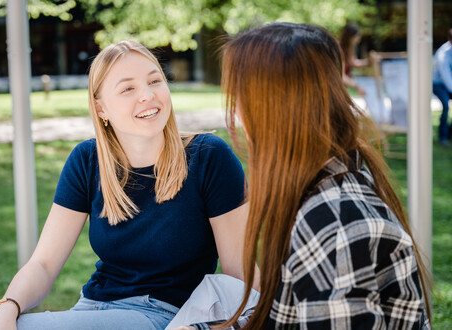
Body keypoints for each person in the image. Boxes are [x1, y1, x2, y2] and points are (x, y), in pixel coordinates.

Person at [0, 40, 253, 330]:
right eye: (128, 89)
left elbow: (241, 274)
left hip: (165, 315)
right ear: (101, 109)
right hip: (91, 306)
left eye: (155, 81)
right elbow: (44, 264)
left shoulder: (209, 156)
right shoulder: (87, 159)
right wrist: (7, 307)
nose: (147, 96)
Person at [172, 22, 431, 330]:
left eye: (240, 97)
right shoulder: (325, 185)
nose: (237, 114)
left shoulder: (332, 223)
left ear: (271, 108)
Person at [339, 23, 379, 96]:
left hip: (343, 89)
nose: (358, 41)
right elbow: (341, 76)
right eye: (357, 37)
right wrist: (357, 86)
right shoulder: (340, 50)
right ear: (350, 37)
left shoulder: (349, 49)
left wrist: (370, 61)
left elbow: (353, 63)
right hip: (337, 89)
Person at [433, 28, 452, 146]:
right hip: (438, 84)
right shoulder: (442, 54)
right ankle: (442, 137)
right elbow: (446, 76)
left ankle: (450, 133)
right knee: (445, 105)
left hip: (449, 83)